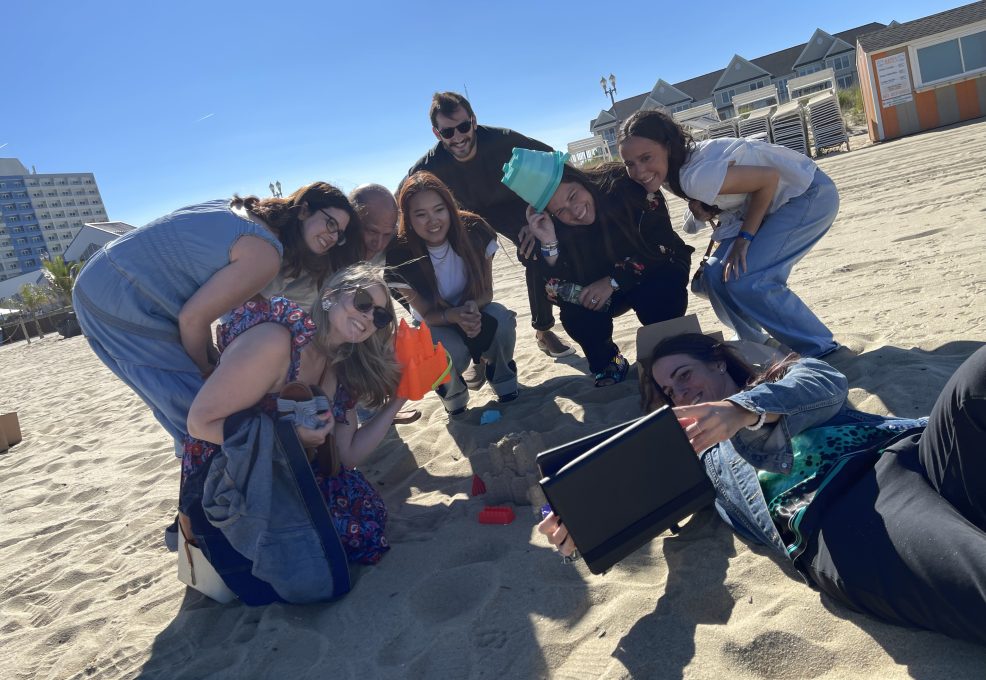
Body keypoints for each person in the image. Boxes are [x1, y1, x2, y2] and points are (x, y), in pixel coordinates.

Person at [542, 332, 986, 645]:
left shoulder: (786, 378)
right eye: (668, 391)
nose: (679, 392)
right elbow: (637, 496)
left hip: (918, 449)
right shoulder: (698, 454)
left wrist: (745, 410)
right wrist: (581, 528)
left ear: (717, 361)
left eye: (683, 375)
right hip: (839, 510)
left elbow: (826, 385)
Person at [73, 182, 358, 456]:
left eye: (340, 234)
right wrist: (205, 369)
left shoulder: (237, 210)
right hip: (125, 299)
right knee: (202, 415)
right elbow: (192, 320)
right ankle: (212, 499)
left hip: (99, 280)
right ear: (304, 210)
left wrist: (212, 361)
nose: (333, 237)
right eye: (330, 223)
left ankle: (202, 491)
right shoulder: (266, 254)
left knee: (184, 410)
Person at [183, 264, 405, 581]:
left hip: (283, 469)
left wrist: (401, 398)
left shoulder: (338, 367)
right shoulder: (277, 341)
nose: (370, 317)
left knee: (365, 516)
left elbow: (348, 455)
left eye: (381, 316)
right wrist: (290, 439)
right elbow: (199, 424)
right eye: (362, 302)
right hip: (232, 475)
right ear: (329, 296)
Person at [618, 109, 839, 358]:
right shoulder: (674, 169)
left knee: (749, 278)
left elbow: (769, 179)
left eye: (646, 158)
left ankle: (820, 348)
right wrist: (705, 211)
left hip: (807, 194)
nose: (638, 171)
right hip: (769, 205)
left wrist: (744, 240)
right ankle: (755, 342)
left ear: (667, 146)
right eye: (630, 164)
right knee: (715, 275)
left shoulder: (692, 176)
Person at [503, 148, 693, 387]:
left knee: (660, 294)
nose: (575, 211)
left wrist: (613, 280)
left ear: (580, 179)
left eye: (573, 196)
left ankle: (670, 346)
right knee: (576, 313)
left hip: (654, 270)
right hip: (603, 290)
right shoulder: (552, 228)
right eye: (560, 210)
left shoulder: (626, 186)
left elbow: (663, 245)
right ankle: (609, 361)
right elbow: (553, 289)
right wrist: (549, 243)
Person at [406, 91, 573, 359]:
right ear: (437, 134)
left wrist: (540, 211)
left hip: (512, 206)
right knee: (460, 268)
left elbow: (555, 163)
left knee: (537, 248)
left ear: (473, 120)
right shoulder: (429, 166)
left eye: (463, 127)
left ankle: (543, 330)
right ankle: (475, 344)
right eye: (448, 132)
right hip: (465, 218)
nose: (458, 137)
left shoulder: (503, 140)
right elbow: (400, 207)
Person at [386, 171, 518, 416]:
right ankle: (454, 393)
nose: (432, 221)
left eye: (439, 210)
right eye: (420, 214)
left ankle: (503, 378)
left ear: (449, 207)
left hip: (475, 309)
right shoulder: (399, 255)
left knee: (500, 319)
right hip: (435, 322)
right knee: (439, 347)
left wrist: (470, 310)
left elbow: (487, 292)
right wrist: (453, 316)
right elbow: (425, 313)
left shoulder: (476, 230)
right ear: (408, 218)